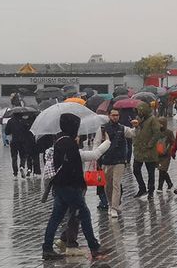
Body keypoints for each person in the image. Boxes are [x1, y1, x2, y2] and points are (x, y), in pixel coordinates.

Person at [42, 113, 110, 261]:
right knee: (84, 214)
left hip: (60, 186)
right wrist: (80, 185)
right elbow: (72, 168)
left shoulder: (60, 141)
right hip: (70, 187)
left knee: (56, 217)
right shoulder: (69, 144)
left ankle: (47, 248)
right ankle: (94, 247)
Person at [54, 131, 112, 254]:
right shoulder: (76, 152)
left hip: (65, 187)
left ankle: (65, 240)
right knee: (79, 214)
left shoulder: (59, 151)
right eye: (77, 136)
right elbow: (95, 154)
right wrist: (107, 141)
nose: (78, 138)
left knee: (73, 214)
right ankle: (75, 244)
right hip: (75, 187)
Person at [100, 109, 135, 218]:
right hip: (107, 160)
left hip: (119, 160)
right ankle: (110, 204)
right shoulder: (103, 128)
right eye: (113, 115)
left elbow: (132, 133)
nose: (115, 117)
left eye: (117, 115)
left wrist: (137, 126)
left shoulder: (122, 128)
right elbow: (97, 143)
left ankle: (114, 207)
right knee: (107, 185)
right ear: (109, 115)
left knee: (116, 183)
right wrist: (95, 158)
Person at [131, 102, 161, 201]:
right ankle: (142, 188)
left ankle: (151, 190)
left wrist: (150, 144)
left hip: (149, 151)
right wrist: (136, 126)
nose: (139, 112)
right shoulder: (139, 119)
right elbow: (136, 132)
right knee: (136, 169)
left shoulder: (152, 120)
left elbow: (157, 133)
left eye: (140, 110)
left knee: (150, 172)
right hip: (139, 150)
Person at [5, 112, 29, 179]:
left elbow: (6, 132)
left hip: (14, 141)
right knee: (23, 156)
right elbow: (27, 131)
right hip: (23, 141)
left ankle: (15, 174)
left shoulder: (10, 121)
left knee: (14, 157)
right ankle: (22, 166)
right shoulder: (24, 121)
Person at [156, 117, 175, 191]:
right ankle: (169, 183)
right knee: (162, 170)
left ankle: (159, 187)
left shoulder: (169, 132)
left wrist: (169, 149)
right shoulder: (156, 132)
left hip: (166, 155)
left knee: (162, 170)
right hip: (158, 154)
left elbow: (173, 142)